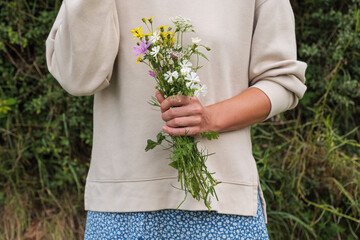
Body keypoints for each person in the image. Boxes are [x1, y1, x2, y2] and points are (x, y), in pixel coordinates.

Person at [46, 0, 307, 239]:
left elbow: (281, 81)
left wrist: (210, 118)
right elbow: (77, 78)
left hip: (221, 207)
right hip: (122, 206)